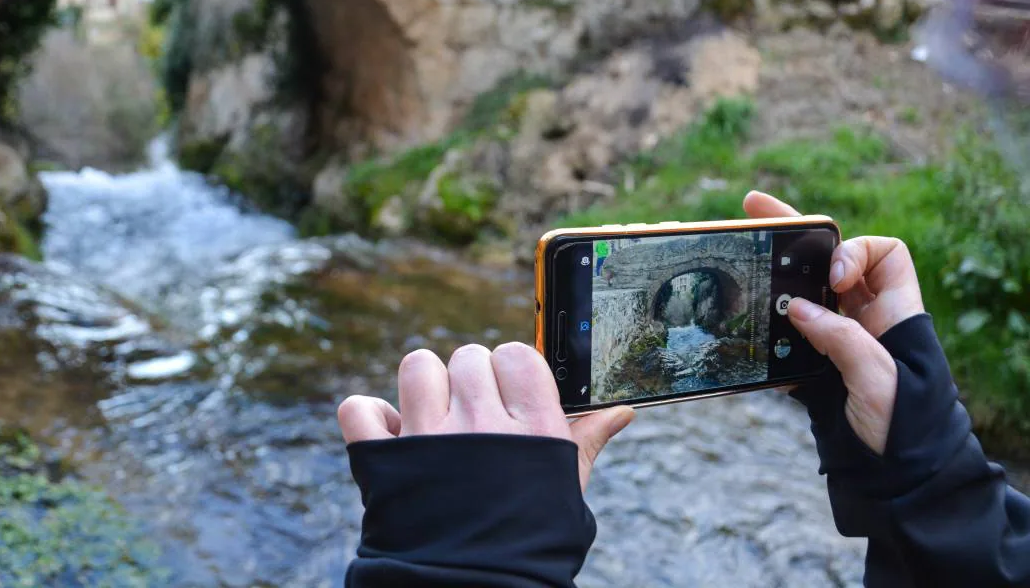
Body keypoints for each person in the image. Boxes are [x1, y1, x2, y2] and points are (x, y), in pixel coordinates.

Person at [337, 191, 1030, 587]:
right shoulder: (639, 347)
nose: (686, 303)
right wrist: (927, 463)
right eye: (679, 292)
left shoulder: (720, 344)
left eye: (701, 293)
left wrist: (456, 571)